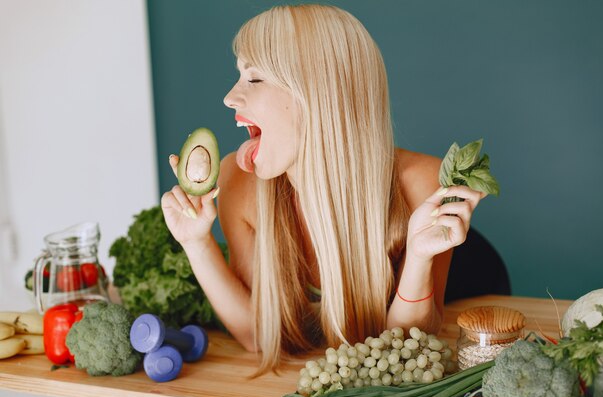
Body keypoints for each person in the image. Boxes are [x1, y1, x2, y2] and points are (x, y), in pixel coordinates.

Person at [161, 3, 484, 374]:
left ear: (317, 94)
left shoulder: (424, 184)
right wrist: (195, 242)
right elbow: (258, 336)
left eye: (253, 79)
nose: (230, 98)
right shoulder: (240, 182)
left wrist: (420, 256)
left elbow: (406, 347)